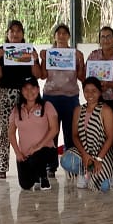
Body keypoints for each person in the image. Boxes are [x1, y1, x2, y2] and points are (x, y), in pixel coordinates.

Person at [0, 19, 41, 179]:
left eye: (18, 31)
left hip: (26, 95)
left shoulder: (29, 50)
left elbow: (37, 75)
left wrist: (34, 59)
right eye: (12, 31)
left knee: (29, 130)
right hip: (4, 94)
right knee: (3, 131)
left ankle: (30, 162)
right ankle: (2, 167)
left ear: (23, 34)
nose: (15, 34)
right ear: (7, 34)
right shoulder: (0, 51)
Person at [38, 23, 85, 176]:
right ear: (54, 36)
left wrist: (81, 61)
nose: (62, 36)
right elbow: (42, 75)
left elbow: (81, 77)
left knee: (71, 133)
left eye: (65, 33)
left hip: (70, 97)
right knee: (51, 133)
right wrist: (43, 59)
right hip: (51, 97)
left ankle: (71, 165)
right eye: (59, 33)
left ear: (69, 36)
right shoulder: (49, 53)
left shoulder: (74, 54)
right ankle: (50, 166)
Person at [60, 76, 113, 191]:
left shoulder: (106, 110)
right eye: (87, 91)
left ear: (100, 92)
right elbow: (75, 135)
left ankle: (109, 171)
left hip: (102, 153)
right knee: (66, 160)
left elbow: (110, 137)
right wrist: (84, 154)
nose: (90, 94)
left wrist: (99, 159)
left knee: (103, 187)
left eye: (94, 91)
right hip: (84, 151)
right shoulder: (78, 110)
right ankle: (84, 172)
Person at [8, 77, 59, 191]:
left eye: (33, 88)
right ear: (21, 91)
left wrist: (38, 146)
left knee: (37, 156)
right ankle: (36, 175)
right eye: (26, 88)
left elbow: (54, 129)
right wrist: (17, 153)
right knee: (25, 185)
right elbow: (11, 133)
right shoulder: (16, 109)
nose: (29, 91)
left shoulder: (47, 106)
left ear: (38, 89)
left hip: (45, 150)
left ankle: (43, 177)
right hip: (25, 154)